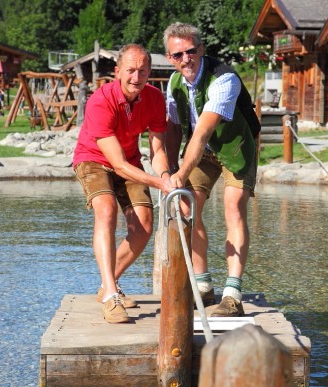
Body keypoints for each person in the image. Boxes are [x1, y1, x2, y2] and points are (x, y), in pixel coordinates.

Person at [162, 22, 261, 317]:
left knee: (233, 207)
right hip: (202, 151)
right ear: (170, 58)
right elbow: (173, 129)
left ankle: (233, 294)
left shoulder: (224, 78)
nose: (185, 59)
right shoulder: (174, 82)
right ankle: (204, 288)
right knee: (185, 206)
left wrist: (182, 170)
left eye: (191, 52)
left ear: (201, 50)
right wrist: (169, 168)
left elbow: (203, 131)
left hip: (236, 147)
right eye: (177, 55)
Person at [72, 44, 174, 324]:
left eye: (142, 70)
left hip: (129, 160)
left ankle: (109, 283)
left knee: (144, 224)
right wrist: (156, 183)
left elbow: (158, 150)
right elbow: (115, 165)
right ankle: (111, 297)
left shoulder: (154, 98)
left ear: (149, 72)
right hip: (93, 159)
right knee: (106, 210)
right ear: (117, 72)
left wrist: (165, 177)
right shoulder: (100, 101)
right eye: (130, 70)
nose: (136, 77)